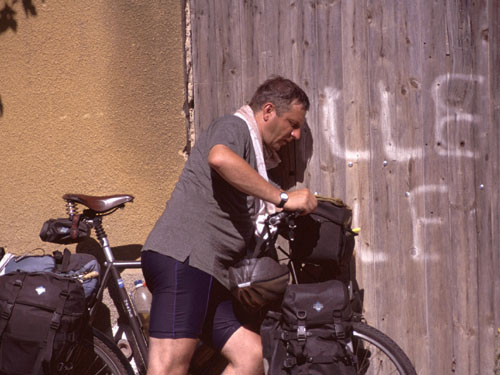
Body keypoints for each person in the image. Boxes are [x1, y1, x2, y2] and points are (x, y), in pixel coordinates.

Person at [141, 76, 318, 375]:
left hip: (211, 272)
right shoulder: (233, 127)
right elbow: (220, 158)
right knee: (169, 367)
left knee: (250, 356)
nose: (297, 135)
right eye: (292, 123)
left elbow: (255, 190)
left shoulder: (254, 157)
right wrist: (283, 197)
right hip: (185, 259)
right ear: (268, 111)